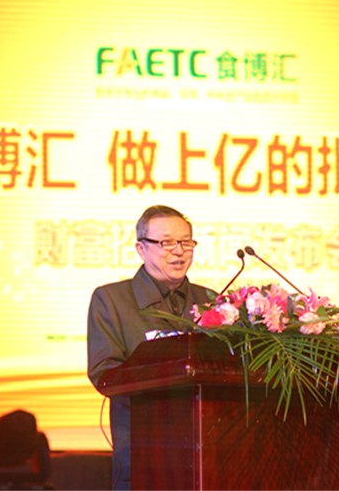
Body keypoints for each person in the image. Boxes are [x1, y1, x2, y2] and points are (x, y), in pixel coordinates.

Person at [87, 205, 214, 490]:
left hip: (207, 455)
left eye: (186, 242)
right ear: (141, 249)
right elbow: (104, 373)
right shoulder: (112, 300)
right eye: (166, 242)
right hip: (145, 454)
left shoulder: (210, 300)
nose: (178, 251)